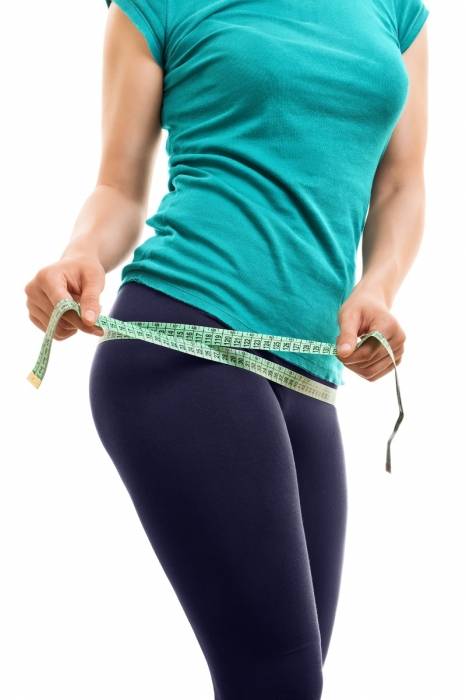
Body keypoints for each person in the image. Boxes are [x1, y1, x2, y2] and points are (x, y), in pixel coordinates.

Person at [23, 0, 429, 697]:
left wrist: (379, 286)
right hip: (185, 342)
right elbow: (118, 187)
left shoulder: (396, 10)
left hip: (308, 373)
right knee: (278, 677)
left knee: (283, 680)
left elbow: (401, 182)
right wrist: (81, 252)